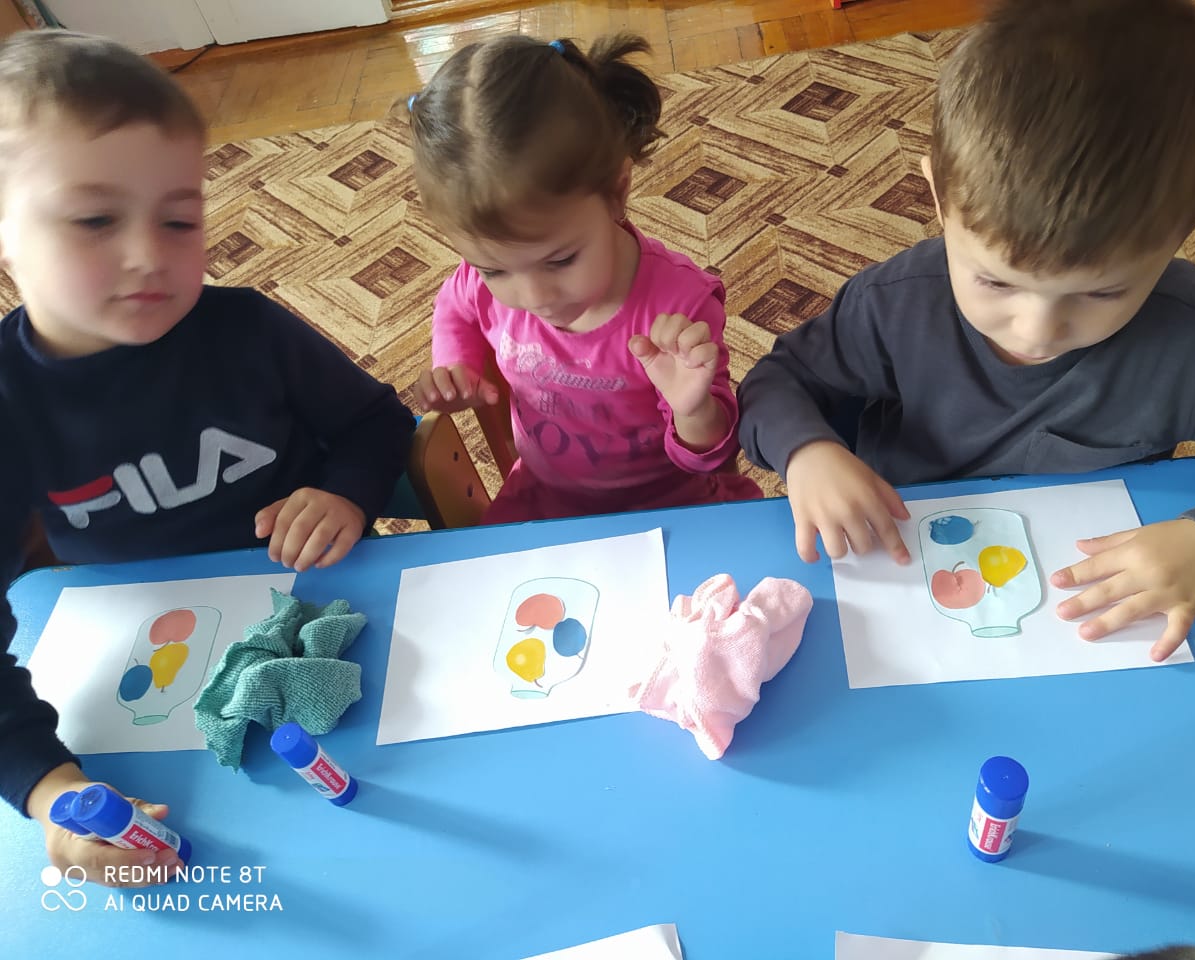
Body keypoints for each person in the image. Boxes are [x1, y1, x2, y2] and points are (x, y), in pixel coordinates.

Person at [736, 0, 1195, 663]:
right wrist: (806, 452)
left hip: (1093, 612)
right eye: (995, 281)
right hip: (901, 574)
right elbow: (776, 383)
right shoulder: (895, 304)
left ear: (1186, 228)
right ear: (939, 196)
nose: (1037, 328)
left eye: (1101, 291)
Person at [0, 31, 415, 886]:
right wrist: (50, 790)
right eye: (94, 220)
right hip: (150, 687)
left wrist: (343, 492)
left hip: (324, 615)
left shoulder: (248, 329)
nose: (149, 255)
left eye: (180, 219)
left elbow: (376, 422)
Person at [408, 33, 761, 524]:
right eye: (494, 269)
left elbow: (713, 456)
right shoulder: (481, 281)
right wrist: (456, 363)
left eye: (560, 260)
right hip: (545, 502)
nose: (534, 297)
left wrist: (693, 410)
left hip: (674, 505)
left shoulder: (680, 305)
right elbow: (456, 302)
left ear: (618, 192)